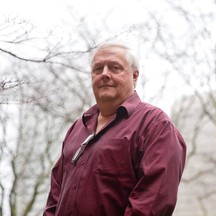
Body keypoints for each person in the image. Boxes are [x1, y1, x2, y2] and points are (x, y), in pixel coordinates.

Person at [43, 42, 186, 216]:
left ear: (134, 76)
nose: (104, 74)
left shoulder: (155, 125)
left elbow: (152, 202)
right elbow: (55, 195)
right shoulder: (78, 128)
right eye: (97, 69)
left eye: (115, 68)